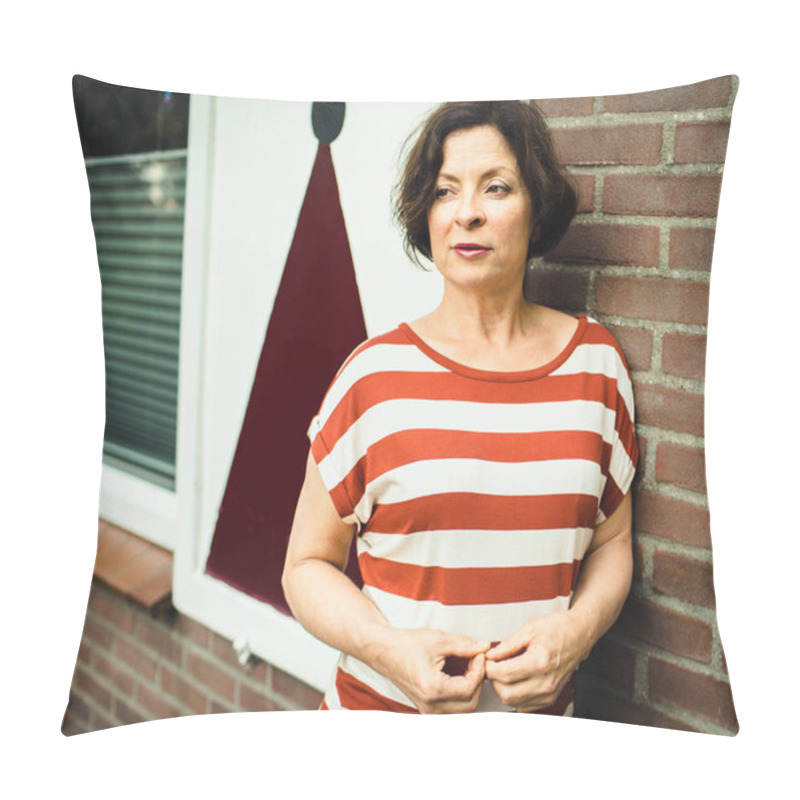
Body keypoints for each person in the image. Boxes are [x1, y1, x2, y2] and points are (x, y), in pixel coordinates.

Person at [282, 101, 638, 714]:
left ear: (537, 207)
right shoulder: (372, 376)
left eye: (495, 187)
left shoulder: (596, 365)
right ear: (428, 216)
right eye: (446, 192)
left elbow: (614, 542)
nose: (467, 212)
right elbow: (305, 566)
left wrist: (576, 635)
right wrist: (387, 650)